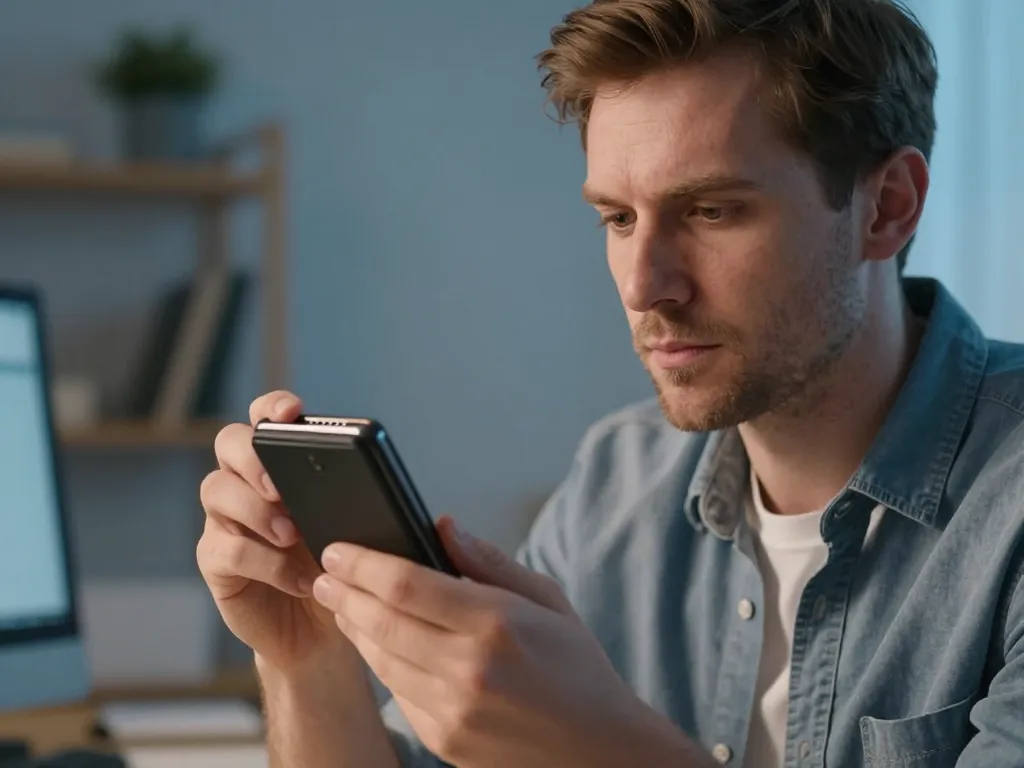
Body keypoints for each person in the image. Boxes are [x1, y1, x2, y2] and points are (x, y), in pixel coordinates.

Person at [197, 0, 1024, 765]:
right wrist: (305, 659)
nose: (643, 285)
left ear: (888, 207)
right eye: (618, 218)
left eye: (711, 211)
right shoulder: (617, 481)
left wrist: (601, 746)